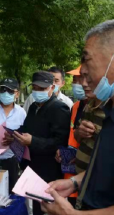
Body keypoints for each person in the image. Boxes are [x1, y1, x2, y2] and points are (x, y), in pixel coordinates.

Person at [41, 19, 114, 215]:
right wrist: (74, 182)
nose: (81, 70)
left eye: (86, 58)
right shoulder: (108, 112)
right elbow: (103, 171)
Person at [13, 71, 70, 215]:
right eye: (35, 88)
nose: (38, 92)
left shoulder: (59, 108)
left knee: (49, 208)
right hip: (32, 167)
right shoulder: (33, 107)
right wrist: (14, 135)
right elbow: (27, 128)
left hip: (49, 170)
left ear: (52, 87)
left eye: (42, 89)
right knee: (36, 207)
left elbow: (59, 141)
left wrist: (33, 141)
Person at [55, 66, 87, 206]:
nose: (75, 83)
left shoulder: (99, 108)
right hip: (70, 168)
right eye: (73, 80)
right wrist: (62, 151)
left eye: (78, 78)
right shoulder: (75, 106)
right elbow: (70, 134)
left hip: (87, 172)